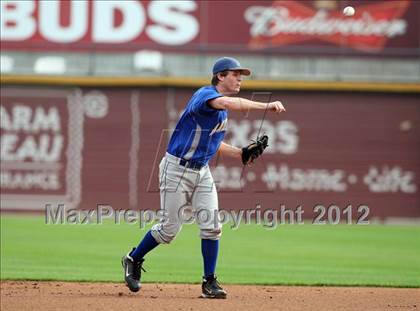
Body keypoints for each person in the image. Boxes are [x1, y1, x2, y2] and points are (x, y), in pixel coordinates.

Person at [122, 56, 286, 299]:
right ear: (220, 76)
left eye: (241, 75)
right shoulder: (204, 95)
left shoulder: (220, 115)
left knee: (212, 227)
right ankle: (133, 259)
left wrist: (241, 153)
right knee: (169, 230)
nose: (240, 78)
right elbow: (230, 103)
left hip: (201, 171)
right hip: (176, 169)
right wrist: (266, 106)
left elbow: (215, 144)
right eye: (235, 74)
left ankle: (209, 282)